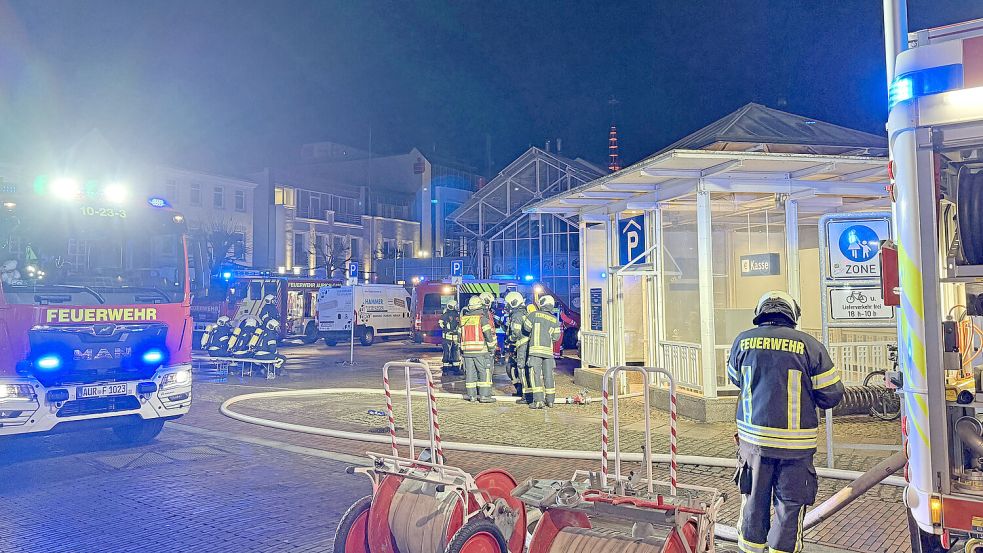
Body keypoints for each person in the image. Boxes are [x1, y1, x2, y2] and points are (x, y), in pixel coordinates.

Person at [727, 291, 844, 553]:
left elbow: (736, 379)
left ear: (761, 311)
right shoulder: (810, 346)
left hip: (753, 446)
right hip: (795, 450)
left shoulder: (742, 342)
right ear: (792, 314)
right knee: (790, 509)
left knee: (753, 504)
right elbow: (831, 395)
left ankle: (749, 549)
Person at [523, 295, 562, 409]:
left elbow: (526, 328)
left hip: (535, 352)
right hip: (548, 353)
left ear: (541, 304)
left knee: (535, 376)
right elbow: (556, 337)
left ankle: (538, 401)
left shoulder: (534, 315)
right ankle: (550, 401)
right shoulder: (555, 320)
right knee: (549, 376)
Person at [459, 295, 497, 403]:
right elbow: (488, 335)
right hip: (480, 350)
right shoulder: (482, 318)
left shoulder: (464, 319)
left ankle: (472, 396)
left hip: (466, 352)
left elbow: (459, 335)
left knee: (470, 374)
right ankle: (484, 396)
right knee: (484, 373)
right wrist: (492, 348)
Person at [503, 291, 530, 400]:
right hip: (519, 345)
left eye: (508, 303)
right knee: (512, 368)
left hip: (521, 345)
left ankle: (525, 393)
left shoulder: (517, 314)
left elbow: (516, 332)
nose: (507, 306)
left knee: (520, 368)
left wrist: (509, 339)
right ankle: (520, 389)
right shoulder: (519, 313)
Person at [438, 300, 462, 374]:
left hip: (446, 337)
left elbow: (440, 324)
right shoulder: (457, 315)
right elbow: (460, 325)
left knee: (446, 352)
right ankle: (456, 368)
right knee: (456, 352)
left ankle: (445, 368)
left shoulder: (444, 315)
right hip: (455, 337)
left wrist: (445, 329)